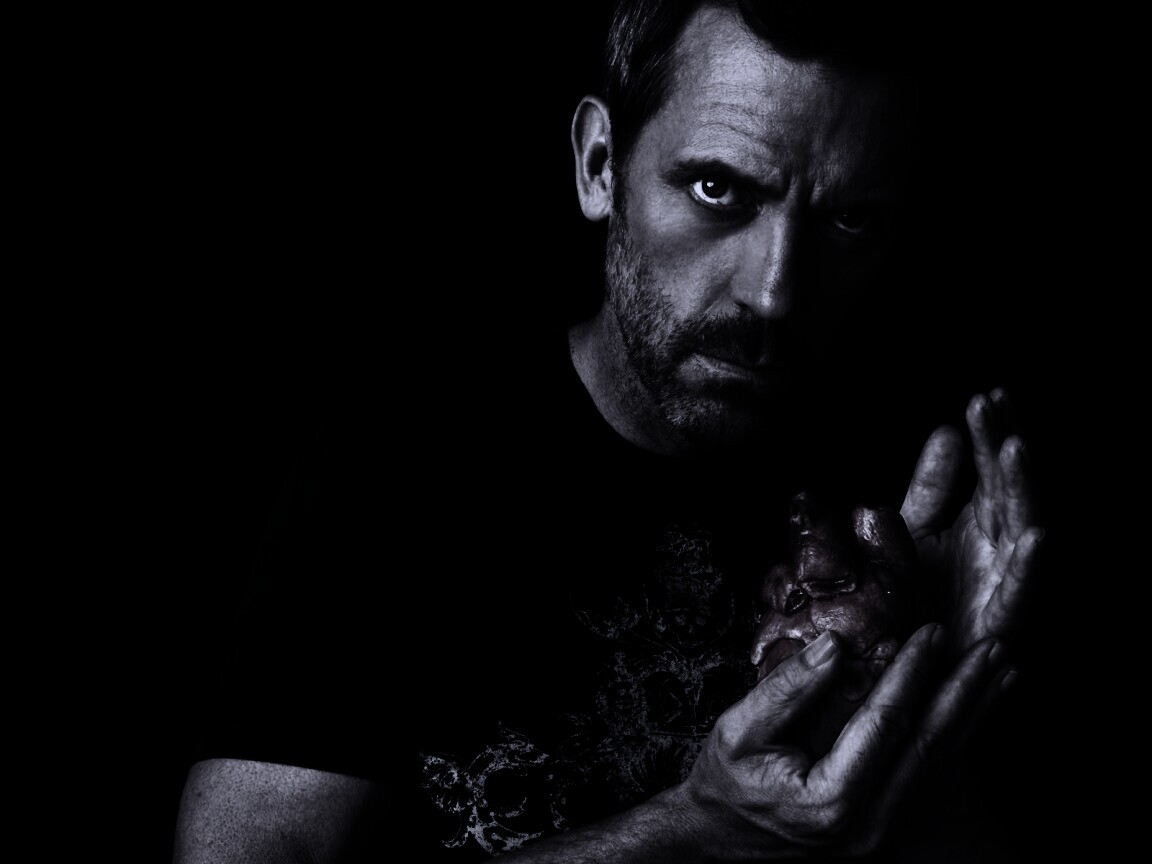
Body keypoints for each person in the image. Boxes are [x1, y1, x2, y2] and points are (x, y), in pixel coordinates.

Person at [172, 1, 1044, 861]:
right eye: (717, 190)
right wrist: (694, 831)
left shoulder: (911, 509)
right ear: (599, 166)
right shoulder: (402, 463)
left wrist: (933, 703)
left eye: (847, 219)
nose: (775, 292)